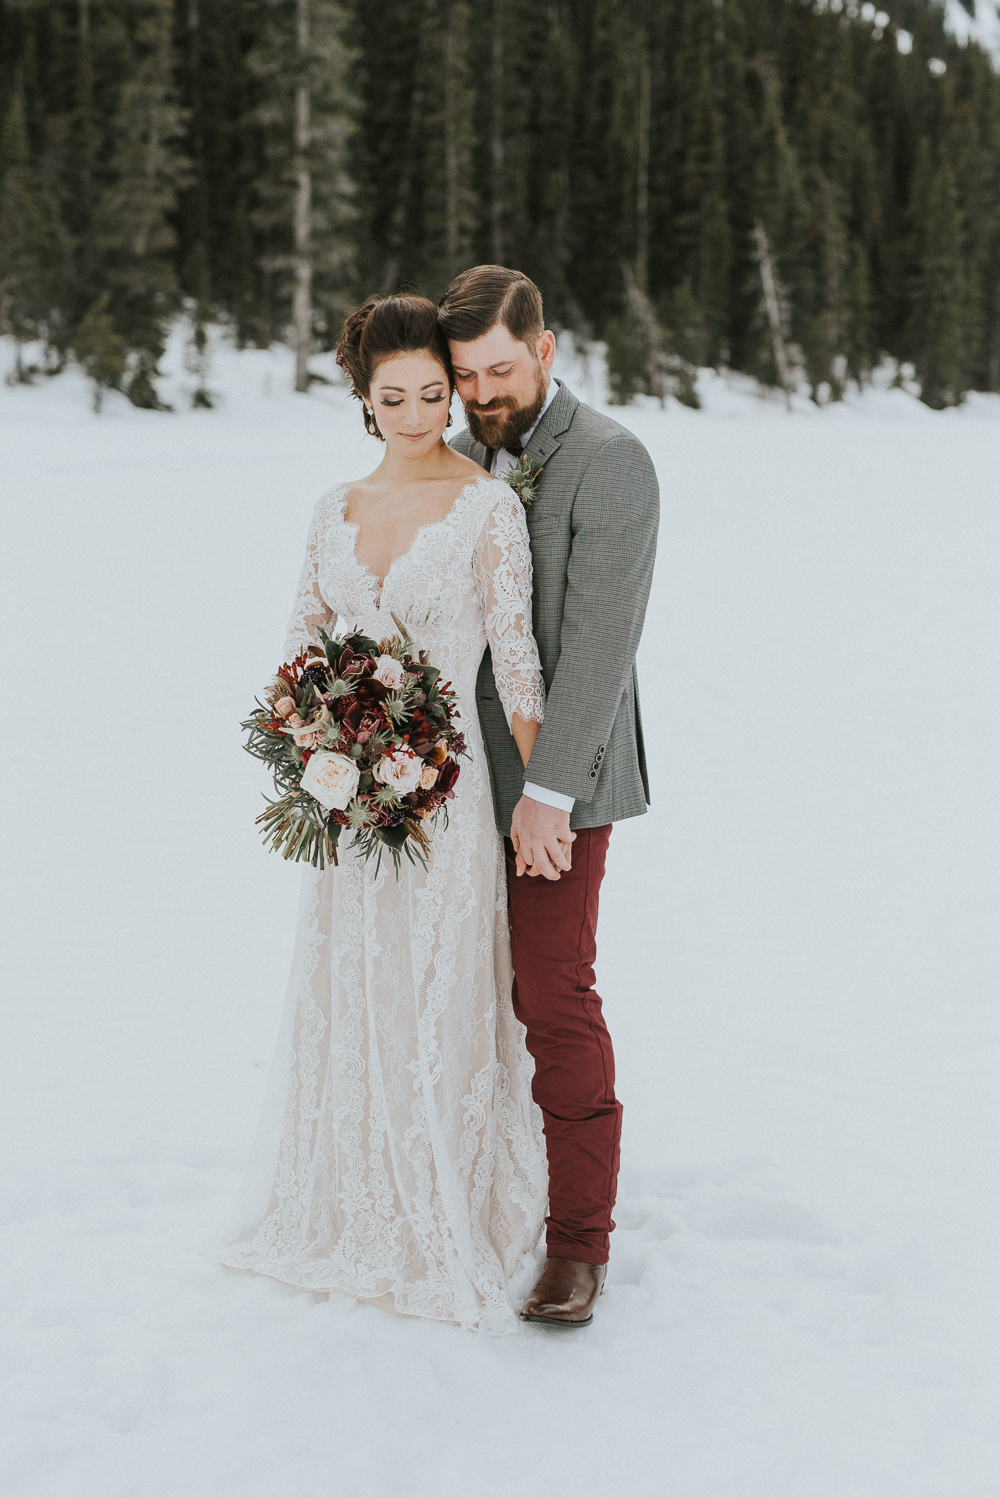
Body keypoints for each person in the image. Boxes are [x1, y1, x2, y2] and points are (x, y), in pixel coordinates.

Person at [215, 294, 549, 1334]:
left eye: (432, 394)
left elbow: (519, 667)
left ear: (454, 392)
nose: (415, 414)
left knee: (439, 993)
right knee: (353, 986)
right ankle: (350, 1194)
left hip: (448, 802)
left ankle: (443, 1194)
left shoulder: (490, 504)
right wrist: (321, 747)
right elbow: (299, 650)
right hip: (351, 809)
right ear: (363, 398)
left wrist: (543, 799)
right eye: (392, 395)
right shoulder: (332, 507)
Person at [441, 265, 659, 1327]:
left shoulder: (612, 464)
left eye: (500, 367)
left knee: (551, 993)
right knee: (449, 989)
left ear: (547, 348)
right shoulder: (452, 457)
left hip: (554, 784)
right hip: (448, 776)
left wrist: (548, 796)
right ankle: (467, 1191)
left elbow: (601, 653)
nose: (485, 391)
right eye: (466, 374)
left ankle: (579, 1242)